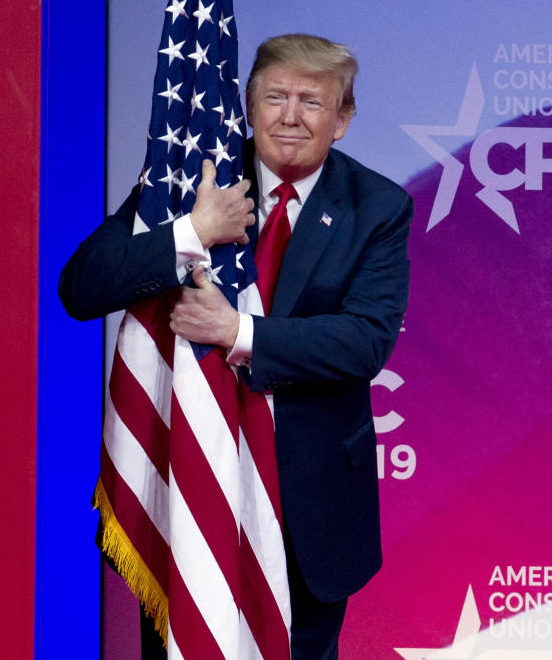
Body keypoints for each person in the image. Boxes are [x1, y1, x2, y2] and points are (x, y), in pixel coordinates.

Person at [60, 33, 413, 659]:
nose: (290, 115)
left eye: (312, 101)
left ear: (344, 120)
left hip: (309, 507)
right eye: (275, 96)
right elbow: (82, 287)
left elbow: (365, 341)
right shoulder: (188, 180)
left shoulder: (377, 207)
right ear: (247, 105)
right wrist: (192, 230)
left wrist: (237, 332)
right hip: (193, 483)